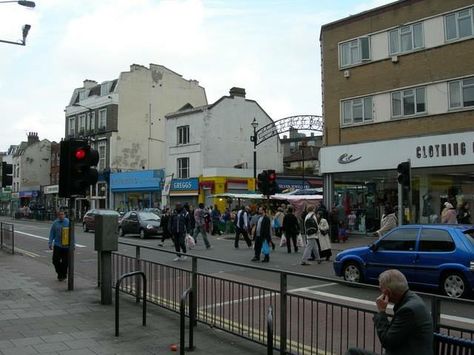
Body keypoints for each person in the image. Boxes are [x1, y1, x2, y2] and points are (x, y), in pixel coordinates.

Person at [345, 269, 433, 355]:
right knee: (353, 352)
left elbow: (387, 342)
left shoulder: (407, 310)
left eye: (381, 289)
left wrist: (382, 312)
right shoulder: (413, 299)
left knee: (352, 353)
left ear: (387, 292)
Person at [48, 210, 70, 281]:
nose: (61, 216)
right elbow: (52, 233)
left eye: (62, 214)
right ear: (58, 216)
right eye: (60, 214)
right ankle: (60, 273)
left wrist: (73, 244)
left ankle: (63, 275)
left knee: (65, 262)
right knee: (55, 261)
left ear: (64, 215)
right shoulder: (55, 223)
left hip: (66, 246)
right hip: (57, 245)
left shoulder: (68, 222)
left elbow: (72, 234)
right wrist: (50, 242)